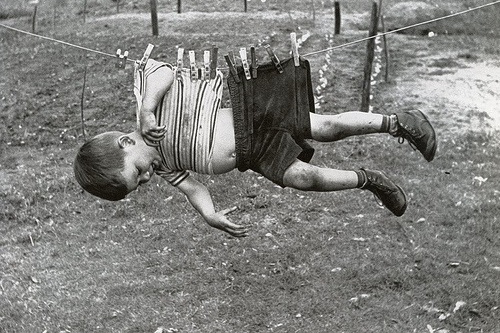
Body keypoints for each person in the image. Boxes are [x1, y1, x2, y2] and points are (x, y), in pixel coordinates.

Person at [74, 55, 437, 238]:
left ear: (126, 142)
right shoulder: (165, 166)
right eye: (139, 184)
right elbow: (194, 188)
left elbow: (161, 70)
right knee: (303, 179)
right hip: (254, 153)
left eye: (137, 171)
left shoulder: (149, 111)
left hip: (254, 113)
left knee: (328, 127)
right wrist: (209, 214)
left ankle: (400, 122)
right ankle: (370, 180)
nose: (146, 178)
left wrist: (147, 109)